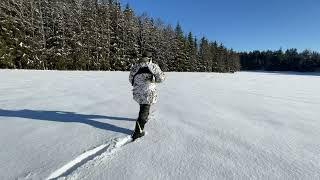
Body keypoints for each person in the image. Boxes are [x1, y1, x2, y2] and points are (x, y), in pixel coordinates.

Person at [129, 51, 165, 141]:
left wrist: (138, 84)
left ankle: (144, 118)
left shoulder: (135, 66)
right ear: (150, 58)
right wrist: (154, 79)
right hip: (148, 92)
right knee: (144, 109)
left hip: (137, 92)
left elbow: (130, 79)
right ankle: (138, 132)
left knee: (143, 106)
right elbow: (161, 79)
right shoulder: (153, 66)